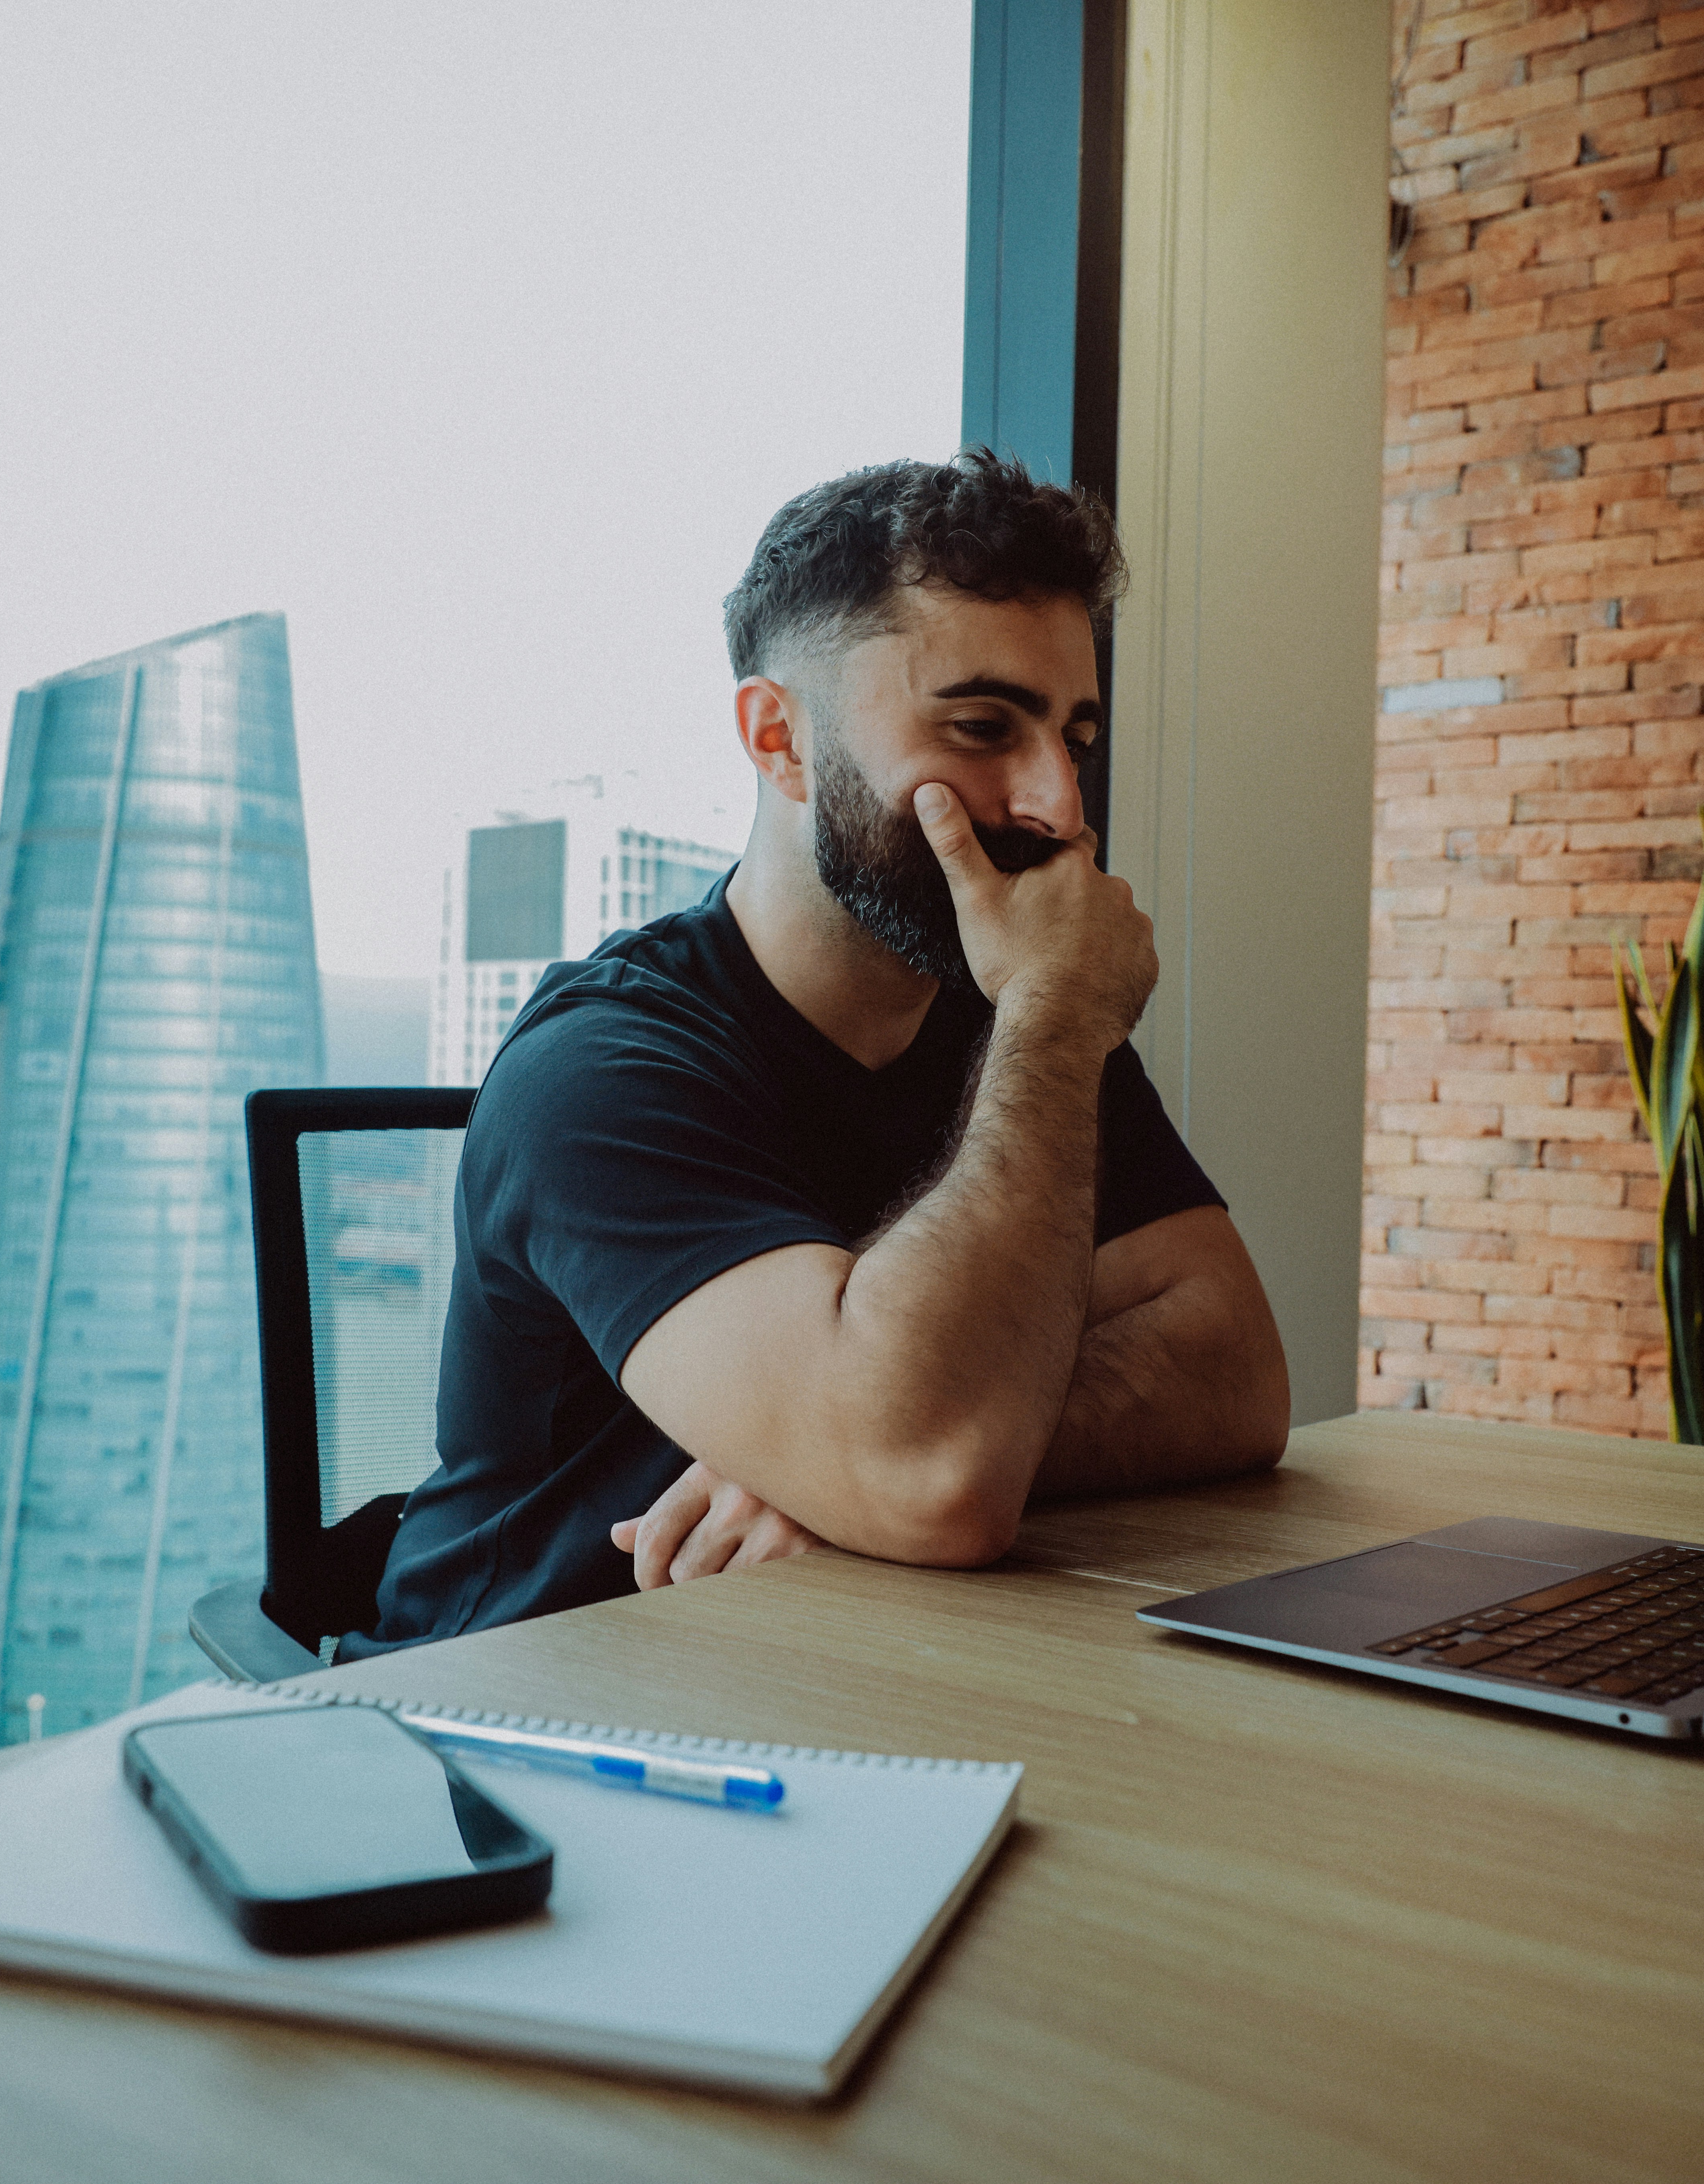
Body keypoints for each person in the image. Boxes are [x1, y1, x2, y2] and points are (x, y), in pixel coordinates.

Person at [348, 450, 1289, 1655]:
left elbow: (1236, 1367)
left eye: (1074, 735)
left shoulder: (1012, 1026)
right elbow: (934, 1474)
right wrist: (899, 1454)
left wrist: (854, 1469)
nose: (1057, 803)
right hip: (513, 1723)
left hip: (830, 1679)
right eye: (983, 727)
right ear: (779, 739)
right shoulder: (600, 1069)